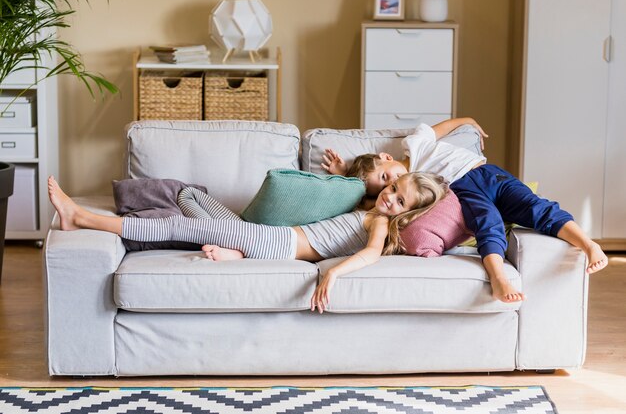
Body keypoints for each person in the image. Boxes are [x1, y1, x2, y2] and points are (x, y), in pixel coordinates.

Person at [48, 172, 448, 314]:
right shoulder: (371, 205)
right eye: (393, 187)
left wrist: (334, 276)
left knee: (175, 226)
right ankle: (236, 251)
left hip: (276, 244)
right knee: (191, 199)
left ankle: (79, 216)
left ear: (406, 213)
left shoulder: (380, 222)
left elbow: (370, 253)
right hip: (265, 238)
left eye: (400, 200)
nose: (389, 197)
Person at [322, 118, 608, 303]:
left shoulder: (414, 146)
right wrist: (345, 171)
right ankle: (498, 278)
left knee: (535, 206)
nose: (394, 183)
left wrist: (468, 121)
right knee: (489, 225)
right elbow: (374, 202)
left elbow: (438, 129)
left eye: (388, 176)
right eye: (385, 186)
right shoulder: (409, 193)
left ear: (386, 157)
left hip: (488, 174)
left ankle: (588, 244)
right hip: (463, 190)